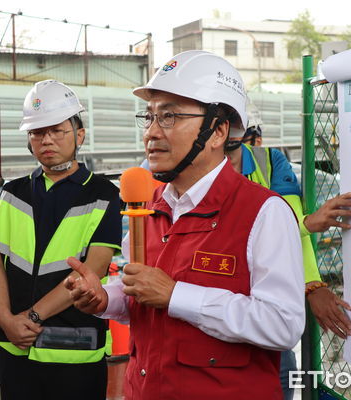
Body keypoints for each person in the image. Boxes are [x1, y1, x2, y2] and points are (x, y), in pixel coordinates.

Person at [67, 50, 305, 399]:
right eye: (149, 117)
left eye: (170, 117)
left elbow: (283, 325)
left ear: (217, 131)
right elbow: (141, 292)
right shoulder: (149, 207)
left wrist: (177, 295)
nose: (151, 133)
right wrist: (105, 298)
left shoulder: (264, 212)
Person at [0, 79, 122, 400]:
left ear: (79, 134)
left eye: (57, 130)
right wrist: (6, 320)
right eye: (36, 132)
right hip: (14, 347)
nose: (46, 139)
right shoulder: (11, 192)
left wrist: (29, 318)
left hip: (73, 350)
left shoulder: (102, 194)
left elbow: (95, 267)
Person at [225, 115, 351, 399]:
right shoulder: (189, 168)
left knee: (280, 378)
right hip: (219, 305)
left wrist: (311, 284)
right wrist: (307, 224)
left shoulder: (269, 162)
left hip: (266, 302)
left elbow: (289, 222)